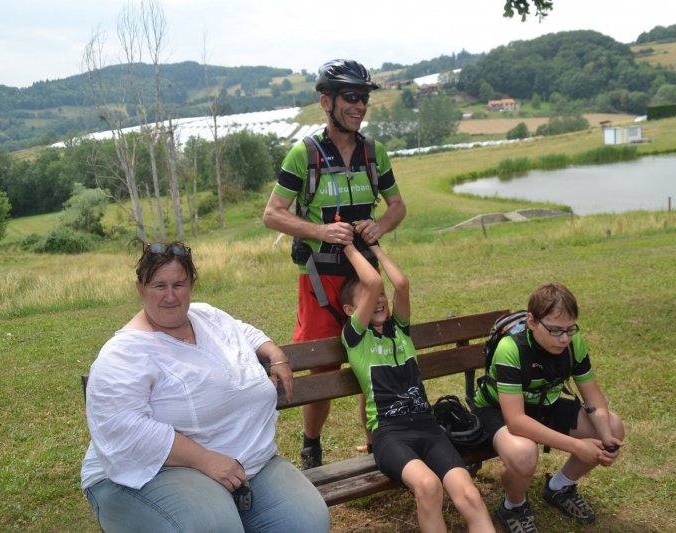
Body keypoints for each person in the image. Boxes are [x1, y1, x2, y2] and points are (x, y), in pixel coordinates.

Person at [81, 241, 330, 533]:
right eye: (159, 286)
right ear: (140, 289)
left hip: (247, 460)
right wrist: (205, 460)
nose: (170, 296)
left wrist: (274, 354)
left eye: (179, 284)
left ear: (192, 285)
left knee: (309, 523)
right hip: (148, 472)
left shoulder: (207, 317)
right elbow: (125, 430)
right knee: (215, 527)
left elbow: (243, 331)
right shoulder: (124, 353)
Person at [263, 58, 407, 469]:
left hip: (366, 278)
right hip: (320, 280)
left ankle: (379, 444)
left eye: (363, 98)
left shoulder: (373, 152)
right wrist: (320, 231)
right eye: (351, 98)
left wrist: (380, 225)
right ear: (326, 102)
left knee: (374, 361)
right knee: (322, 367)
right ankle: (311, 446)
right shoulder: (304, 155)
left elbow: (397, 206)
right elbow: (272, 214)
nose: (360, 106)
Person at [340, 241, 495, 533]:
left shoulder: (400, 329)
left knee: (470, 495)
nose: (379, 299)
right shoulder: (355, 338)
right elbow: (373, 281)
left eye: (382, 296)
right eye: (369, 298)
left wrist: (375, 246)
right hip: (390, 434)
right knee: (428, 486)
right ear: (350, 310)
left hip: (428, 427)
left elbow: (401, 283)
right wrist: (348, 245)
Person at [472, 282, 625, 533]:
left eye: (570, 329)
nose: (564, 338)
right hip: (497, 411)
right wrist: (577, 446)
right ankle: (513, 506)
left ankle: (559, 487)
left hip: (543, 405)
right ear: (532, 322)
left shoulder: (573, 343)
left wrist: (606, 437)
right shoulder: (511, 348)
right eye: (555, 330)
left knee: (614, 426)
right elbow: (516, 421)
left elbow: (593, 398)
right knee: (523, 455)